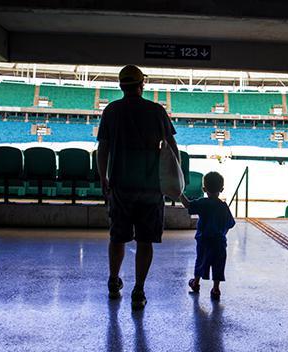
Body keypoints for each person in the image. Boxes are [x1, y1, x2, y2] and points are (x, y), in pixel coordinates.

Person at [97, 64, 179, 310]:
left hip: (121, 186)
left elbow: (103, 148)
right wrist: (175, 180)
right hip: (151, 187)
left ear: (121, 86)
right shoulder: (156, 111)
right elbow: (172, 146)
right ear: (142, 84)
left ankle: (114, 281)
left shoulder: (111, 111)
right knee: (145, 241)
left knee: (118, 237)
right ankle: (138, 290)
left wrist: (104, 178)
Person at [180, 172, 235, 299]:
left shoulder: (202, 203)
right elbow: (230, 223)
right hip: (220, 242)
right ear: (222, 189)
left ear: (204, 189)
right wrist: (221, 233)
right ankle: (216, 289)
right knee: (218, 264)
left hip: (204, 240)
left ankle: (196, 283)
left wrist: (179, 193)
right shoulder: (223, 206)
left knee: (201, 262)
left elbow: (188, 205)